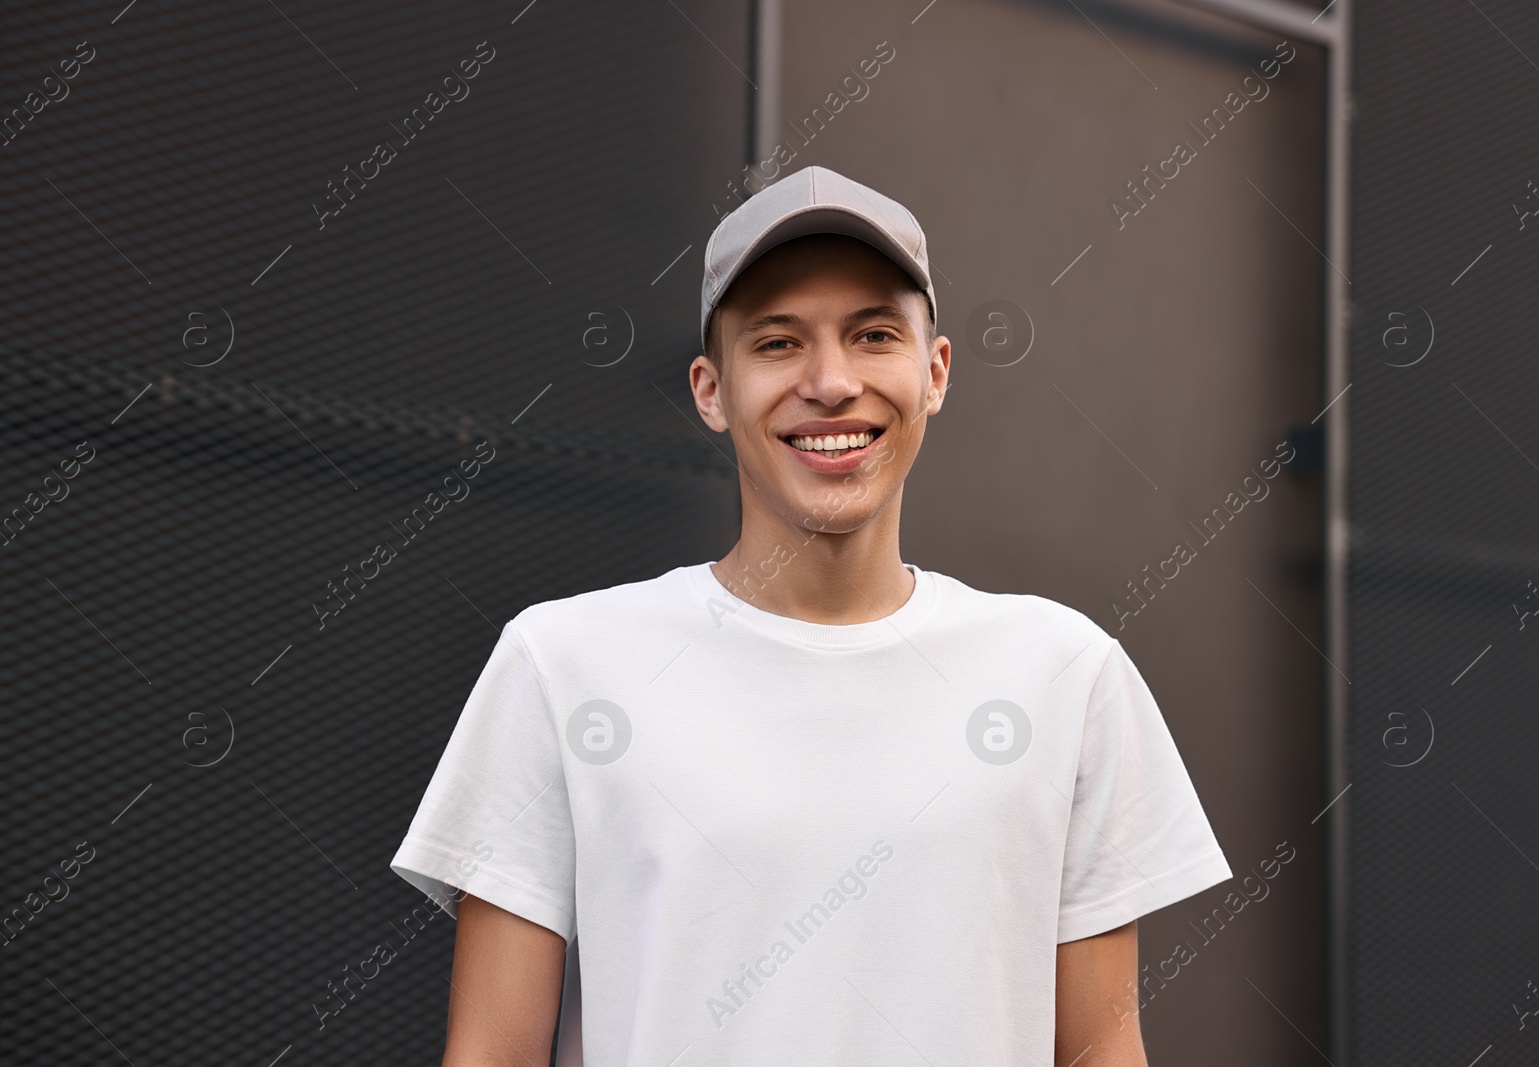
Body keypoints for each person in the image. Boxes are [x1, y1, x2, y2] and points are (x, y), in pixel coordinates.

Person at [390, 165, 1232, 1066]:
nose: (831, 383)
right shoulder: (560, 664)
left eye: (873, 335)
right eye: (779, 342)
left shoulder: (1067, 671)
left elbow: (1101, 1053)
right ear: (711, 390)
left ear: (935, 370)